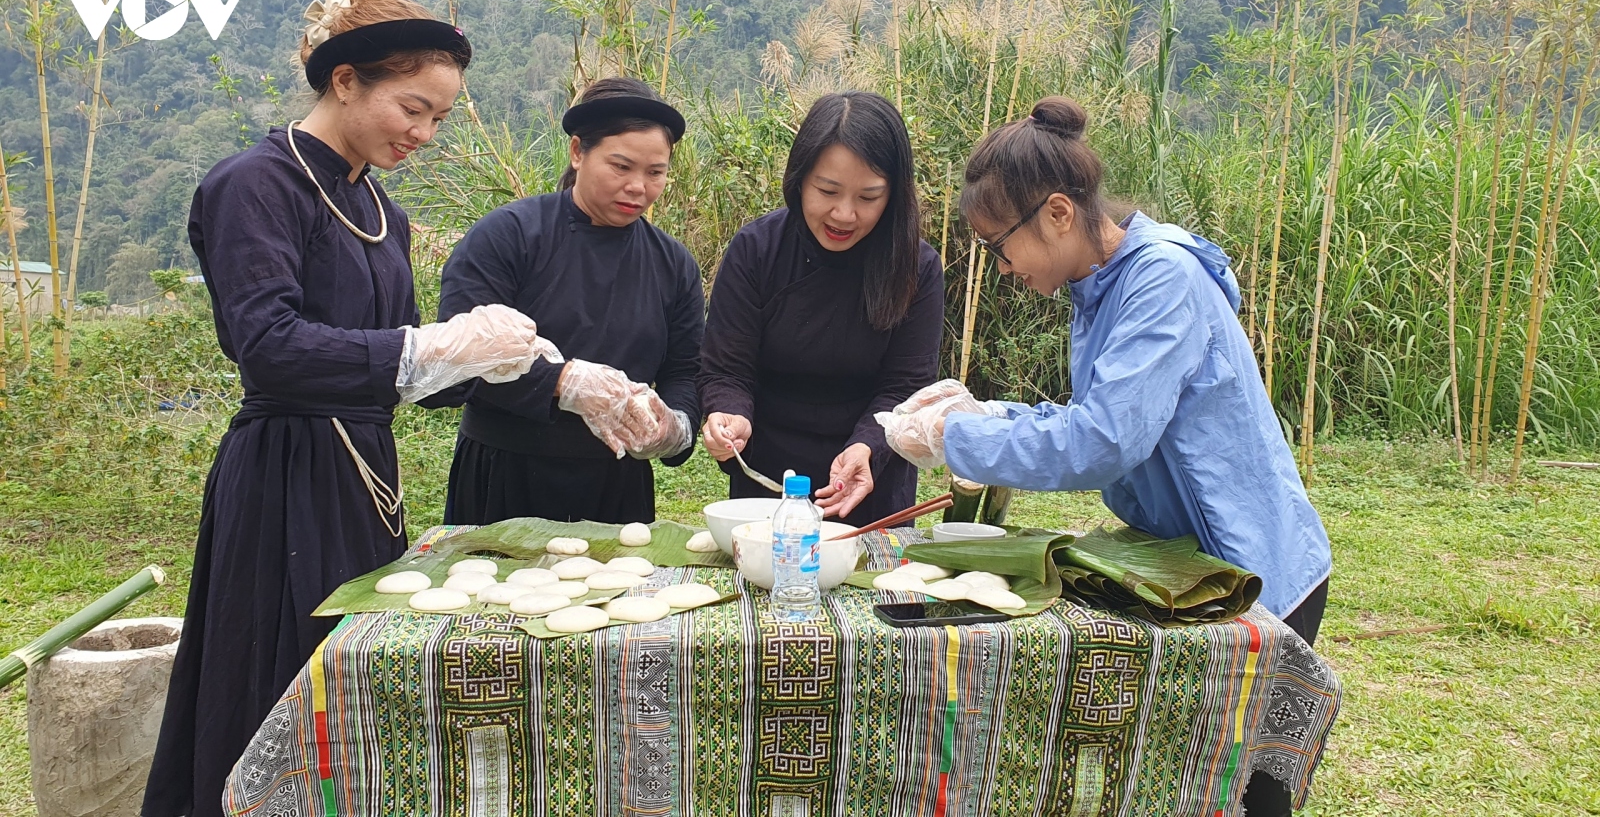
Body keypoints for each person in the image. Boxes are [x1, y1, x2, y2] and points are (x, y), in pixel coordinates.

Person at [143, 0, 550, 817]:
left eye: (438, 118)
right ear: (344, 81)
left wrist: (534, 371)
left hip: (367, 478)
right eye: (413, 107)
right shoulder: (254, 185)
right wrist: (430, 346)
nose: (424, 134)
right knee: (280, 678)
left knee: (356, 686)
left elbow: (403, 365)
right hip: (285, 475)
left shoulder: (380, 211)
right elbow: (268, 345)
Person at [878, 96, 1331, 817]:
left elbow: (1105, 442)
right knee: (1175, 780)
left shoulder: (1162, 280)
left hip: (1248, 567)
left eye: (999, 246)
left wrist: (954, 439)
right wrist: (989, 414)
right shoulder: (1099, 289)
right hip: (1176, 561)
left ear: (1058, 213)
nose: (1000, 267)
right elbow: (1101, 418)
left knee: (1240, 794)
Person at [437, 77, 704, 524]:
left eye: (655, 172)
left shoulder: (673, 264)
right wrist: (561, 382)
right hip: (505, 474)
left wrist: (675, 426)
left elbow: (686, 368)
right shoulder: (509, 236)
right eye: (621, 167)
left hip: (616, 483)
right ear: (578, 152)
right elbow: (455, 360)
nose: (639, 186)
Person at [698, 92, 943, 525]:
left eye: (869, 197)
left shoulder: (916, 266)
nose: (844, 214)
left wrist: (868, 445)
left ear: (893, 195)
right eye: (827, 190)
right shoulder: (756, 250)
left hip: (871, 481)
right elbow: (727, 368)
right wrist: (728, 412)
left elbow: (905, 386)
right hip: (769, 489)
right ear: (799, 179)